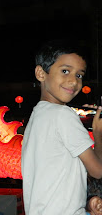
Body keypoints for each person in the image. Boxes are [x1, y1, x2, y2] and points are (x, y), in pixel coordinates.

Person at [21, 39, 102, 214]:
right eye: (65, 71)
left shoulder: (37, 116)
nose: (73, 81)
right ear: (41, 73)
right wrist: (98, 135)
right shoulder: (63, 114)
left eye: (79, 75)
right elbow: (97, 170)